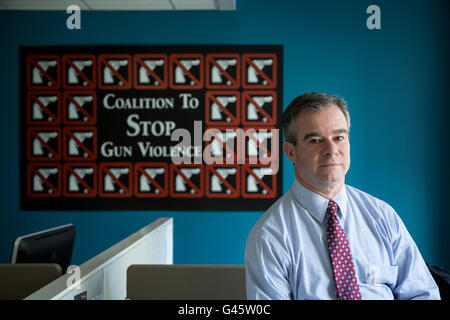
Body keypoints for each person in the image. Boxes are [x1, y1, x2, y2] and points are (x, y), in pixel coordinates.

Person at [245, 92, 440, 300]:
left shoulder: (382, 216)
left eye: (339, 137)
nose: (331, 150)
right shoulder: (270, 236)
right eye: (316, 140)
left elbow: (422, 294)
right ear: (291, 152)